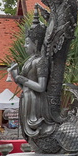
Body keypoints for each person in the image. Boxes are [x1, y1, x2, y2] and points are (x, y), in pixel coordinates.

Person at [8, 8, 59, 140]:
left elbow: (41, 87)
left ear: (36, 43)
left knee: (37, 133)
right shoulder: (29, 61)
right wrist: (16, 77)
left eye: (27, 43)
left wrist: (21, 78)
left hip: (37, 101)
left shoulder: (41, 61)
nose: (24, 46)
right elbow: (25, 85)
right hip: (27, 98)